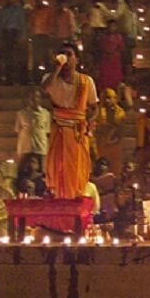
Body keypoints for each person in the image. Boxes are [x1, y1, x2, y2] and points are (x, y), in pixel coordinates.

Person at [42, 42, 99, 199]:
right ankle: (59, 199)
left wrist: (90, 122)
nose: (66, 58)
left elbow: (94, 107)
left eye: (69, 54)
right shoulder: (50, 78)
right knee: (58, 169)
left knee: (77, 169)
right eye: (63, 54)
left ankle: (77, 198)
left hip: (77, 132)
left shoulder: (87, 81)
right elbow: (44, 89)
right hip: (59, 130)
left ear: (77, 59)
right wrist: (57, 68)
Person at [14, 89, 51, 170]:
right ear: (28, 99)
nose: (34, 99)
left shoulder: (46, 114)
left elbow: (47, 131)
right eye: (32, 97)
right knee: (23, 172)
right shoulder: (21, 113)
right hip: (25, 148)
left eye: (37, 97)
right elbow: (18, 130)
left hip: (40, 148)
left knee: (41, 172)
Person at [0, 0, 28, 85]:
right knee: (7, 57)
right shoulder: (3, 10)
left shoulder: (18, 9)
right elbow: (0, 24)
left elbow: (22, 23)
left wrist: (22, 36)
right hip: (6, 34)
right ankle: (8, 78)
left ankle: (17, 78)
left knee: (16, 57)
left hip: (15, 33)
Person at [94, 88, 126, 175]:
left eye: (109, 98)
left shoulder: (120, 112)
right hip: (101, 144)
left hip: (114, 145)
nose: (107, 101)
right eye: (105, 98)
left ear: (115, 98)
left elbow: (120, 129)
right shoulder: (98, 111)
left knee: (115, 169)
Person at [29, 0, 54, 82]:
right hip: (36, 36)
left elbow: (51, 23)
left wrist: (49, 33)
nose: (39, 0)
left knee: (46, 57)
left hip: (45, 36)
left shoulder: (47, 10)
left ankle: (49, 78)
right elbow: (31, 23)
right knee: (36, 58)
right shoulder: (34, 11)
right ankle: (36, 78)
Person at [97, 20, 125, 92]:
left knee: (115, 76)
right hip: (106, 59)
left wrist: (115, 52)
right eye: (110, 26)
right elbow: (101, 47)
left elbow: (121, 47)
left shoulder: (118, 37)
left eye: (113, 26)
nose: (111, 28)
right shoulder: (103, 36)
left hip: (115, 59)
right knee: (105, 75)